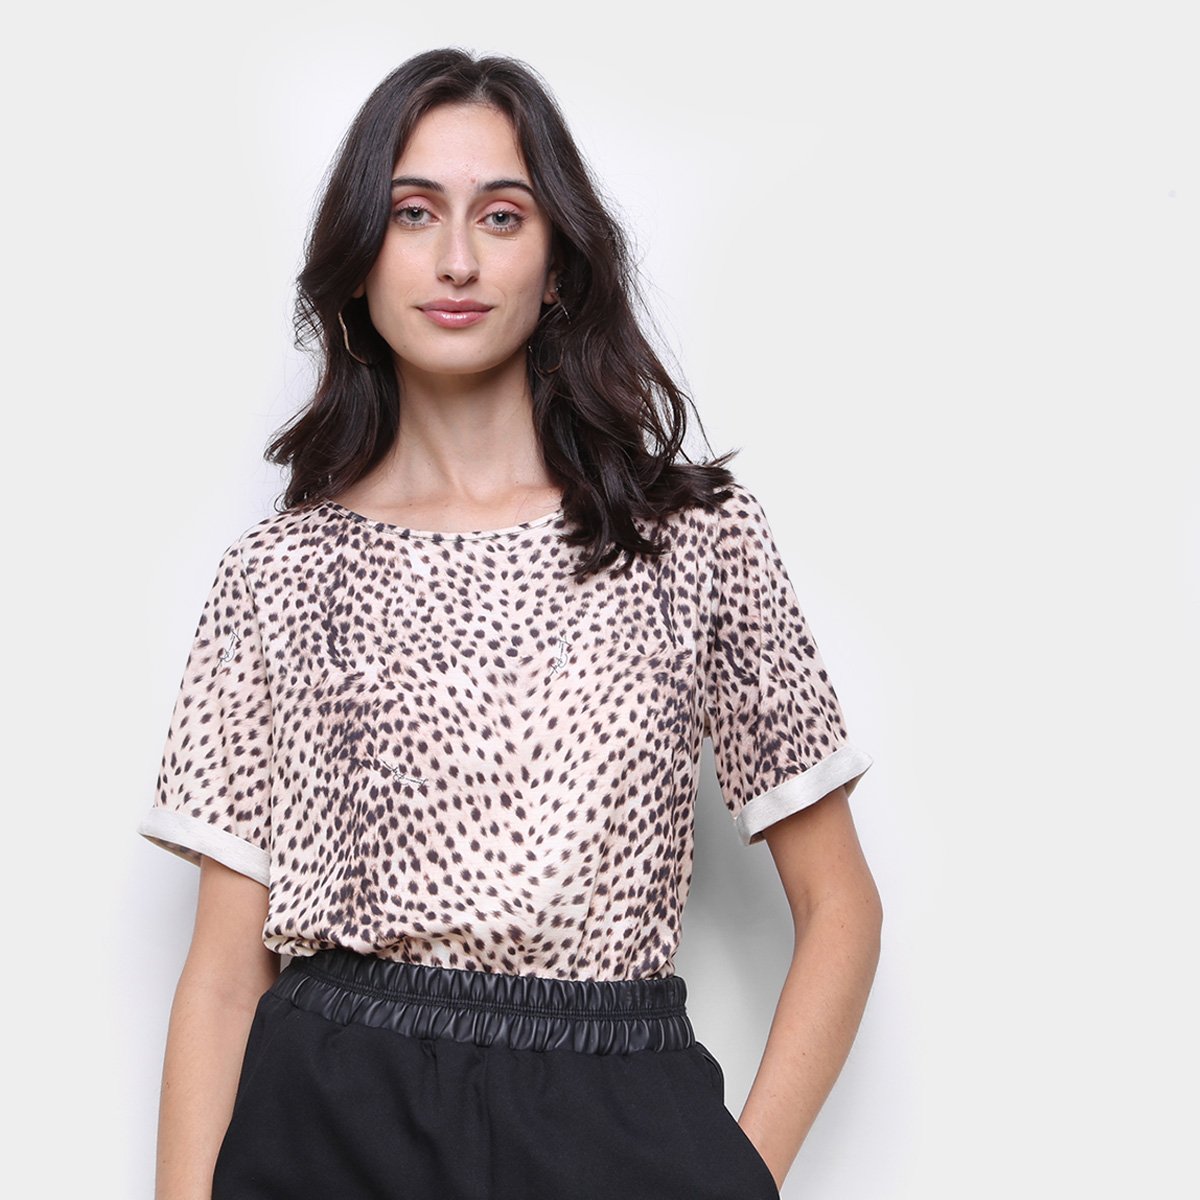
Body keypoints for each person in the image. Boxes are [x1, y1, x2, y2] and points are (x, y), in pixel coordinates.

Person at [136, 47, 881, 1200]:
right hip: (329, 1121)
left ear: (560, 265)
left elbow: (840, 906)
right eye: (413, 212)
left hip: (611, 1109)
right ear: (359, 260)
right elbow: (225, 979)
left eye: (501, 214)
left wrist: (739, 1179)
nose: (456, 259)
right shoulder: (278, 575)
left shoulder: (694, 540)